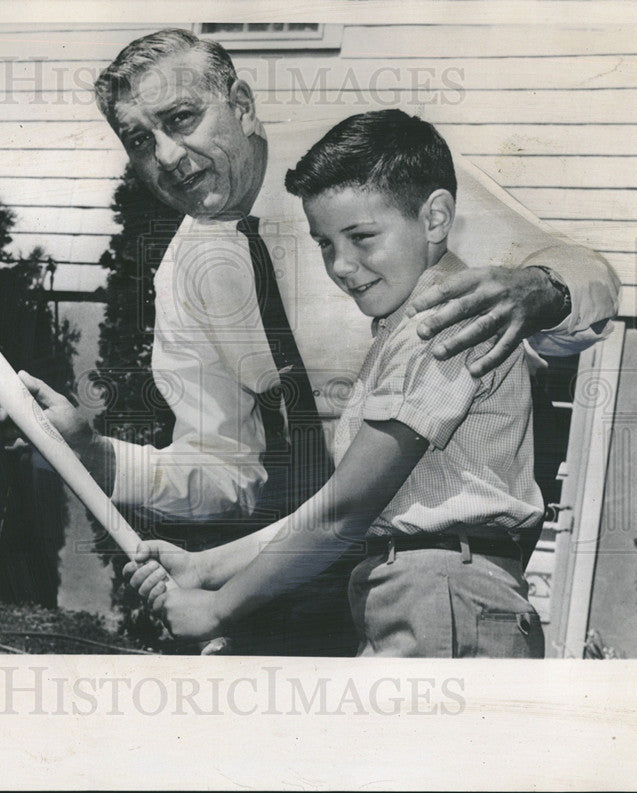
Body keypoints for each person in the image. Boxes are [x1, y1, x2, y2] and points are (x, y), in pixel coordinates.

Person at [0, 28, 618, 654]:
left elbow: (587, 272)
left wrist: (541, 288)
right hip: (317, 570)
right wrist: (99, 459)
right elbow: (231, 469)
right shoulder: (185, 271)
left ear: (243, 105)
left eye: (183, 119)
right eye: (141, 140)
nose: (168, 156)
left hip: (434, 573)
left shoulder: (366, 180)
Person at [126, 109, 546, 658]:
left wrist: (217, 607)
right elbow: (339, 507)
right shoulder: (402, 329)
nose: (342, 266)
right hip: (416, 589)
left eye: (362, 237)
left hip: (444, 596)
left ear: (436, 218)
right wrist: (204, 567)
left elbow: (342, 513)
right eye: (324, 243)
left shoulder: (442, 323)